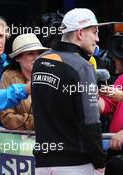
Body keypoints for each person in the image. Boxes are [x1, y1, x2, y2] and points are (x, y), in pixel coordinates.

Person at [31, 8, 105, 175]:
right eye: (94, 32)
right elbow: (91, 123)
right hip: (76, 164)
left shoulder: (39, 61)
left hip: (43, 163)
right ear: (80, 33)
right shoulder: (82, 66)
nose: (97, 39)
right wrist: (100, 162)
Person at [0, 33, 49, 130]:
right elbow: (6, 118)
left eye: (39, 53)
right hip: (22, 142)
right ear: (17, 58)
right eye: (30, 53)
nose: (36, 57)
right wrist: (38, 122)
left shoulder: (51, 75)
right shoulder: (9, 77)